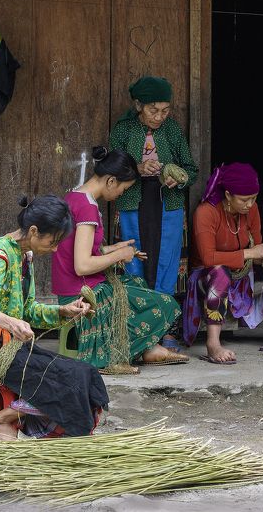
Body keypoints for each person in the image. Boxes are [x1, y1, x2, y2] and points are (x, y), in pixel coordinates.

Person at [0, 195, 108, 440]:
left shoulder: (24, 257)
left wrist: (63, 311)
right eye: (52, 242)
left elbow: (29, 310)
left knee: (84, 372)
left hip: (9, 343)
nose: (55, 249)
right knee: (65, 380)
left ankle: (18, 419)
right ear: (33, 231)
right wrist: (12, 323)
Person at [51, 146, 188, 374]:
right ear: (111, 181)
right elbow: (82, 265)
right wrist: (119, 256)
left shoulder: (74, 197)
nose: (122, 194)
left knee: (137, 284)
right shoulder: (87, 208)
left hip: (72, 286)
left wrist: (116, 248)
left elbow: (81, 249)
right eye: (124, 189)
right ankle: (127, 352)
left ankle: (149, 349)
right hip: (81, 292)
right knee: (165, 303)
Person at [109, 75, 197, 349]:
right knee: (134, 259)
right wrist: (136, 168)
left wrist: (178, 177)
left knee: (166, 261)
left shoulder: (172, 130)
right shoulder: (123, 130)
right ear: (138, 105)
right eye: (153, 110)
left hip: (168, 204)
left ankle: (165, 330)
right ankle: (135, 329)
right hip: (132, 202)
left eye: (165, 110)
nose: (160, 116)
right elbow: (110, 169)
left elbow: (191, 170)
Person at [184, 162, 263, 364]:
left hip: (241, 281)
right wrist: (250, 253)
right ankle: (213, 344)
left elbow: (257, 251)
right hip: (209, 281)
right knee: (219, 271)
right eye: (244, 199)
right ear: (228, 195)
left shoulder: (251, 209)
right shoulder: (206, 212)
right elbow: (208, 258)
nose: (250, 204)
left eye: (254, 198)